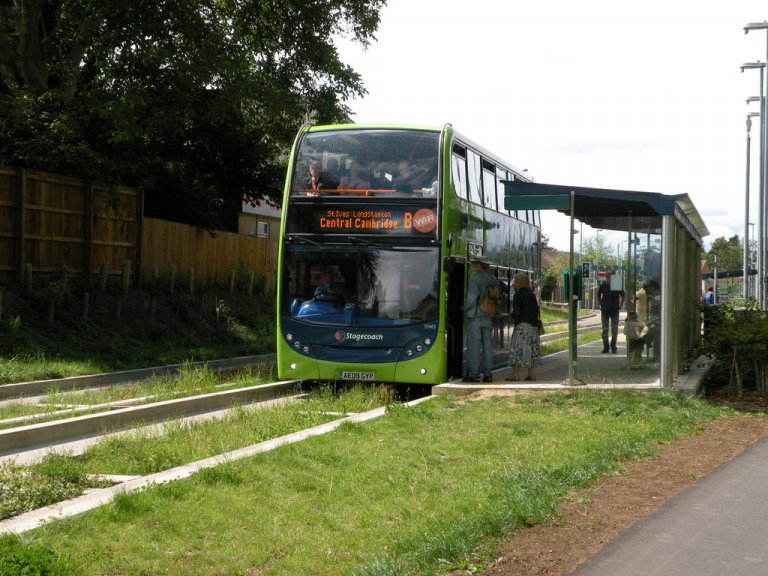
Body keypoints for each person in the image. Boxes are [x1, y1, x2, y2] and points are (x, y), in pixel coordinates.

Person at [463, 256, 499, 383]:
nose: (474, 266)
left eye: (475, 264)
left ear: (480, 265)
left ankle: (473, 374)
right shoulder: (493, 280)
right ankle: (488, 374)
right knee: (488, 345)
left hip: (476, 315)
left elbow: (472, 298)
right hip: (488, 315)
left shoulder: (476, 279)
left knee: (474, 345)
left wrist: (464, 308)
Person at [505, 272, 542, 381]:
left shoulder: (518, 295)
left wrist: (510, 314)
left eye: (515, 281)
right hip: (533, 327)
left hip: (522, 326)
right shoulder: (531, 295)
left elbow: (517, 312)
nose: (514, 283)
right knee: (531, 350)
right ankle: (531, 374)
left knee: (517, 349)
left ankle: (515, 374)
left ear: (520, 282)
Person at [598, 270, 625, 354]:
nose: (608, 277)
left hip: (614, 310)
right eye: (607, 275)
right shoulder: (604, 284)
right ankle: (606, 347)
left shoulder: (616, 284)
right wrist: (601, 304)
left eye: (610, 275)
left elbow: (623, 295)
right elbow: (598, 295)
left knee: (614, 329)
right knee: (605, 329)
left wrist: (620, 305)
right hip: (605, 310)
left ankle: (613, 347)